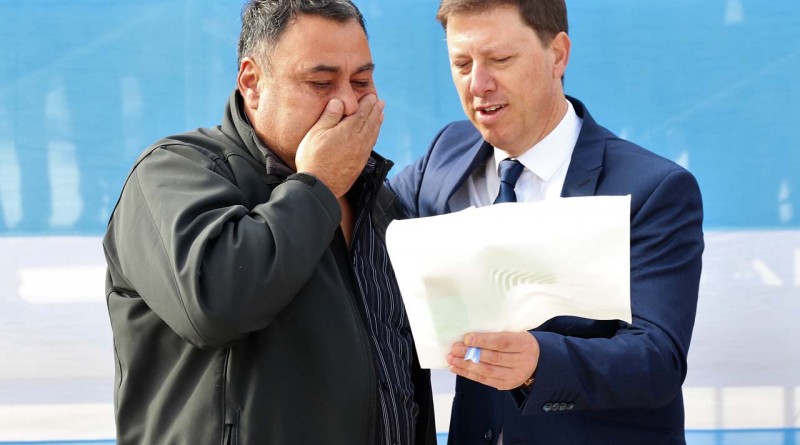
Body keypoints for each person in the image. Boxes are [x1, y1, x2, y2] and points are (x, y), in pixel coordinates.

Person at [103, 1, 435, 443]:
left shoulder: (380, 202)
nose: (348, 103)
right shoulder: (173, 172)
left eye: (361, 81)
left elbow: (400, 376)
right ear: (252, 83)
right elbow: (217, 303)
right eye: (320, 83)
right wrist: (318, 183)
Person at [388, 0, 704, 443]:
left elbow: (658, 359)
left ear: (558, 55)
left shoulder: (653, 188)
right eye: (462, 64)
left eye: (500, 59)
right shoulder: (444, 157)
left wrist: (540, 361)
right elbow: (368, 228)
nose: (478, 84)